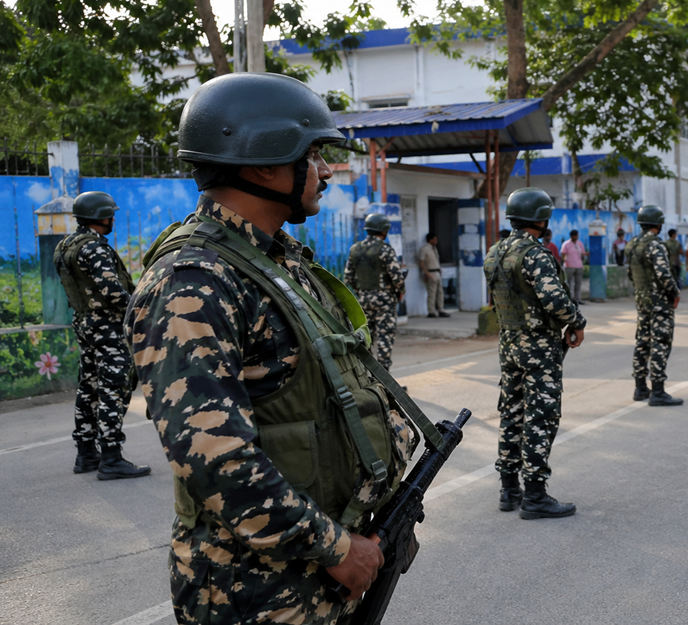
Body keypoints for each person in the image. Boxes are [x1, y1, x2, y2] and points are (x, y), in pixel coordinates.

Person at [125, 73, 421, 622]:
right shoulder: (194, 283)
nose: (327, 170)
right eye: (314, 155)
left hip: (314, 574)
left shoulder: (277, 264)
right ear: (266, 162)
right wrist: (335, 548)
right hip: (255, 592)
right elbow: (214, 459)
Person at [484, 188, 587, 519]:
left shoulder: (495, 252)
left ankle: (508, 489)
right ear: (541, 219)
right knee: (540, 417)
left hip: (509, 344)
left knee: (511, 413)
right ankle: (536, 496)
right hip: (538, 347)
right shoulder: (535, 254)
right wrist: (577, 322)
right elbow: (555, 301)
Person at [53, 191, 151, 480]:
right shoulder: (94, 248)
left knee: (89, 386)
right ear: (101, 216)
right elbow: (111, 291)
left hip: (84, 323)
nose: (113, 219)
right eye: (111, 214)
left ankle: (86, 453)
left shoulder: (66, 245)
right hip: (107, 327)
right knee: (113, 389)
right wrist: (139, 310)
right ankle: (110, 457)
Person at [626, 205, 684, 407]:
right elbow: (663, 274)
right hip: (659, 302)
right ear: (659, 224)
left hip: (642, 299)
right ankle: (658, 391)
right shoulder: (656, 245)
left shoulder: (632, 244)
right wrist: (675, 293)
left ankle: (640, 387)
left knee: (642, 341)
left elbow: (630, 274)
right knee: (660, 342)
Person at [345, 213, 407, 366]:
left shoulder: (355, 249)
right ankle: (385, 382)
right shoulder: (385, 250)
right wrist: (401, 290)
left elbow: (348, 278)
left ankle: (367, 378)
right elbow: (397, 278)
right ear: (384, 231)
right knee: (385, 339)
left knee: (366, 338)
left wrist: (362, 292)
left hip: (364, 300)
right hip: (385, 301)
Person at [419, 232, 450, 318]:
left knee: (440, 292)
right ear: (430, 240)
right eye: (434, 239)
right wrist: (426, 274)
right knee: (432, 293)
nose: (436, 241)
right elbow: (422, 263)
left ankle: (441, 309)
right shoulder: (424, 249)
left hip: (436, 271)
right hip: (430, 272)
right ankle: (431, 311)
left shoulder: (434, 248)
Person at [561, 229, 588, 303]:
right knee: (569, 283)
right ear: (572, 236)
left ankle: (577, 299)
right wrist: (564, 261)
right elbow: (563, 254)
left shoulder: (579, 244)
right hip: (569, 266)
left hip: (579, 266)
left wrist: (586, 255)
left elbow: (583, 253)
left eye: (577, 235)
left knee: (578, 283)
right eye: (575, 236)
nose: (576, 237)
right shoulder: (566, 244)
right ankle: (570, 299)